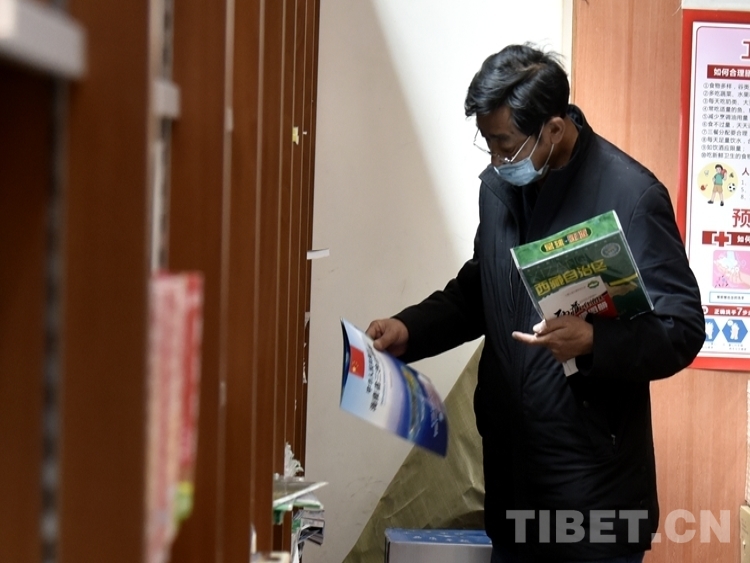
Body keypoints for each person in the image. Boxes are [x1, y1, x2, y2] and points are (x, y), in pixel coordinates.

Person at [366, 44, 704, 563]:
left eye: (505, 145)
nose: (496, 161)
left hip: (593, 495)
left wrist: (595, 341)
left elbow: (682, 328)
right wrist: (410, 329)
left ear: (554, 128)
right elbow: (482, 288)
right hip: (514, 482)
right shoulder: (500, 191)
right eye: (488, 144)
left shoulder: (631, 196)